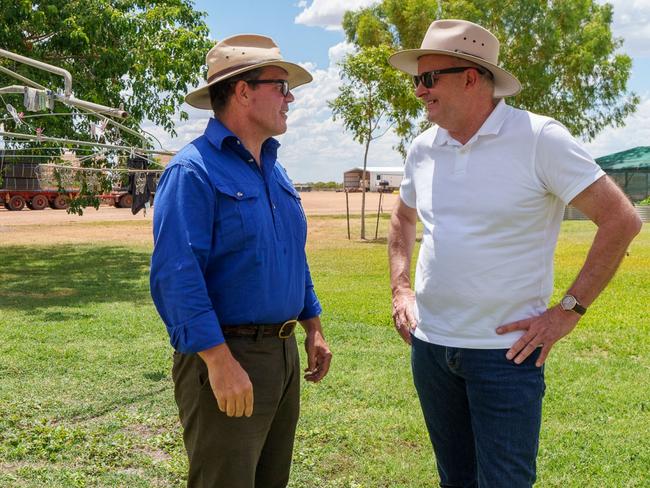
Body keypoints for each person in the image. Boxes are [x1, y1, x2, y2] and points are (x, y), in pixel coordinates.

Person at [387, 19, 642, 487]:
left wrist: (567, 312)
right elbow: (403, 219)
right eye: (415, 80)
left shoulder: (540, 138)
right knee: (454, 480)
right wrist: (401, 289)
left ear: (470, 77)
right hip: (431, 349)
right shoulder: (423, 148)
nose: (419, 92)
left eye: (428, 79)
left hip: (505, 357)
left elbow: (621, 220)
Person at [150, 34, 332, 488]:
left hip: (281, 356)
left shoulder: (275, 169)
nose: (290, 98)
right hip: (227, 355)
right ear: (243, 90)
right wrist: (218, 360)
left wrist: (313, 325)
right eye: (281, 86)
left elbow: (290, 252)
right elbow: (176, 274)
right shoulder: (192, 170)